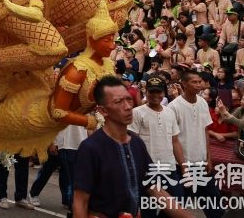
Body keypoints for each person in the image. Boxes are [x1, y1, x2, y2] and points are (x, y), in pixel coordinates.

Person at [72, 75, 191, 218]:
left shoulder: (136, 143)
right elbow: (80, 201)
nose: (128, 106)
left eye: (128, 99)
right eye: (118, 102)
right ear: (103, 110)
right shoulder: (91, 148)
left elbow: (155, 189)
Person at [167, 70, 225, 218]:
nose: (199, 85)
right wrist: (183, 166)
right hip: (181, 165)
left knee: (214, 205)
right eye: (194, 82)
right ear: (184, 84)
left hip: (201, 163)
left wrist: (208, 159)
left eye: (200, 82)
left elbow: (205, 131)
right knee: (177, 206)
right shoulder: (174, 107)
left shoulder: (202, 103)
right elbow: (172, 139)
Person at [129, 76, 185, 199]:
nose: (155, 95)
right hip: (147, 170)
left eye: (158, 92)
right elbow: (133, 143)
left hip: (169, 167)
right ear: (146, 92)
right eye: (151, 92)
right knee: (149, 209)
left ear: (164, 93)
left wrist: (183, 166)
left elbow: (175, 141)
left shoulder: (169, 112)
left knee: (178, 201)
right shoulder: (137, 113)